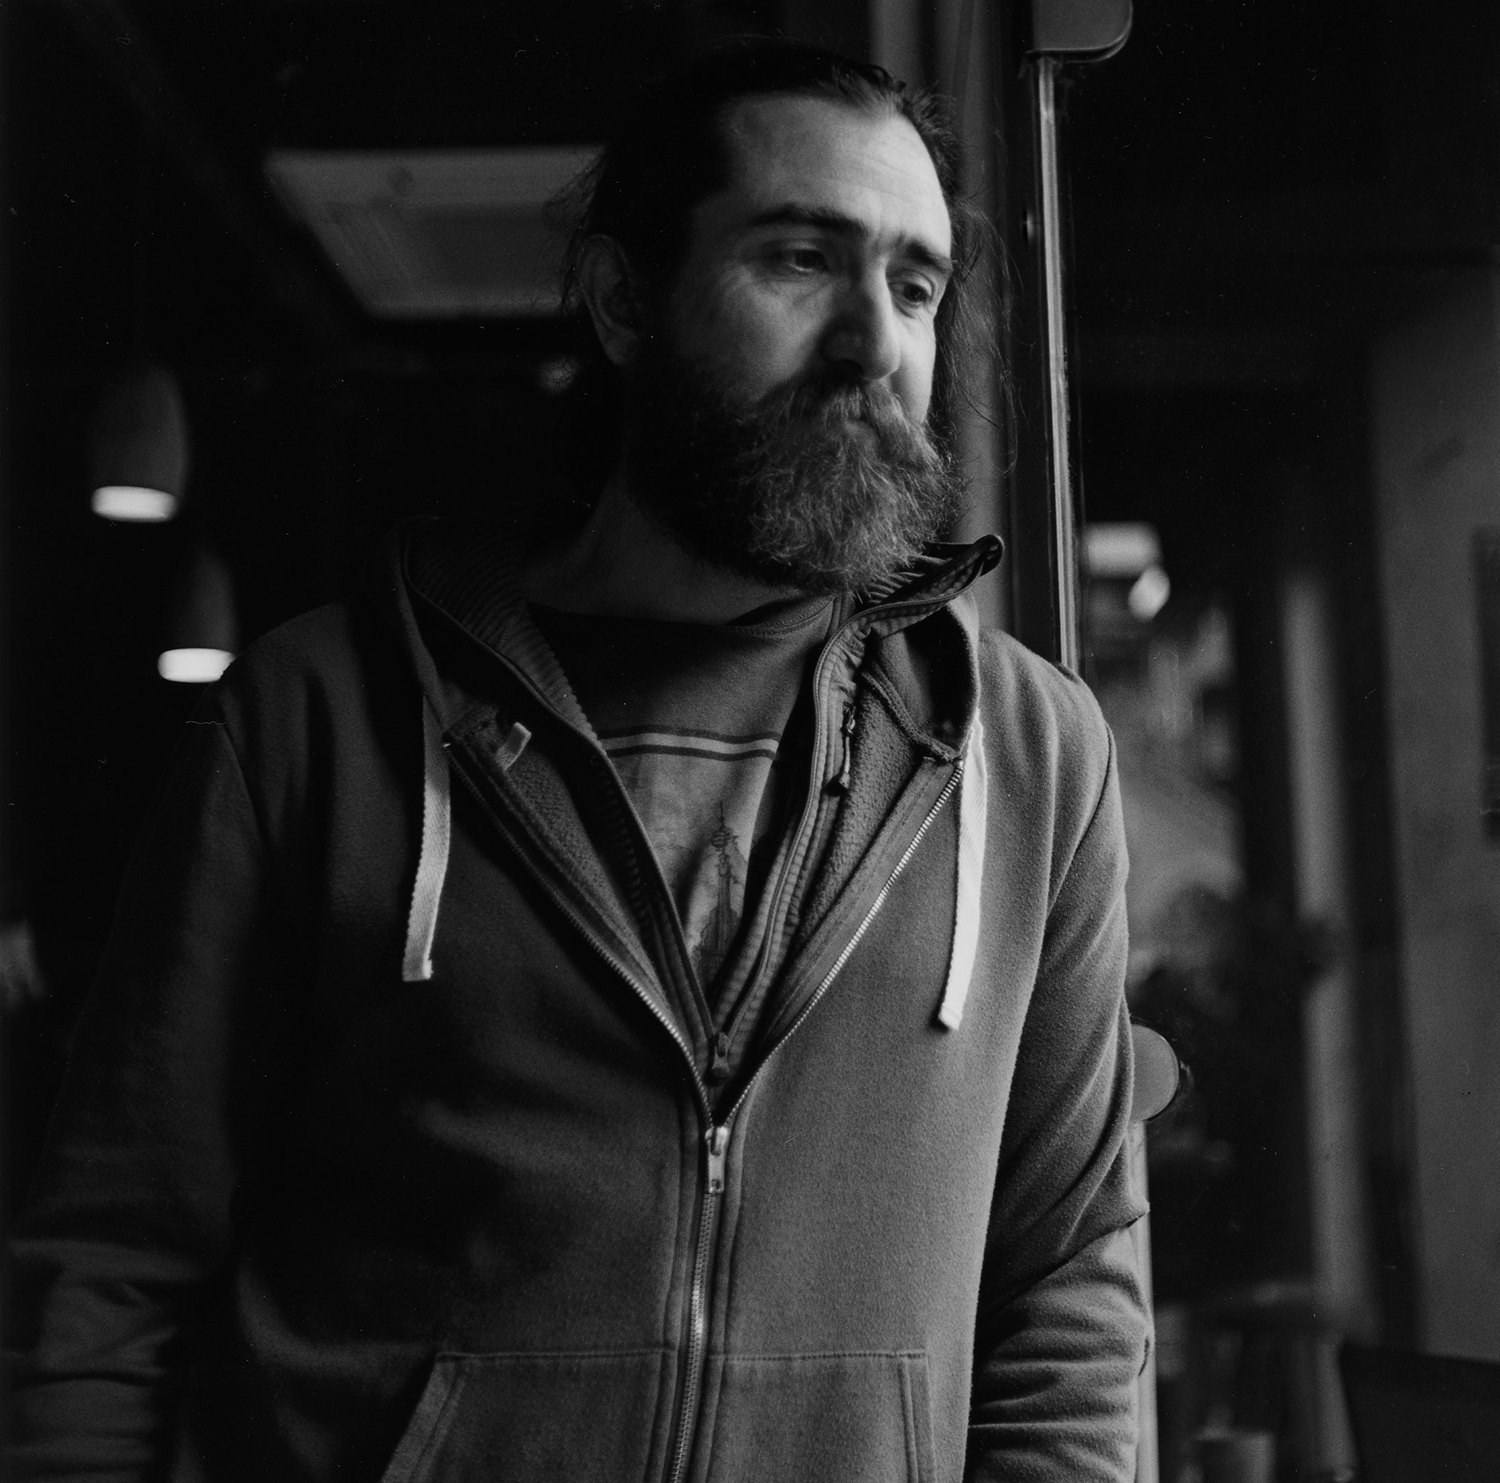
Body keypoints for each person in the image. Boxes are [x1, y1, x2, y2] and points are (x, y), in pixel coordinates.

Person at [10, 39, 1148, 1483]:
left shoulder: (1033, 755)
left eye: (915, 285)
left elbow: (1070, 1289)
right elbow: (110, 1270)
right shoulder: (317, 716)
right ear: (623, 299)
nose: (877, 343)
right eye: (803, 259)